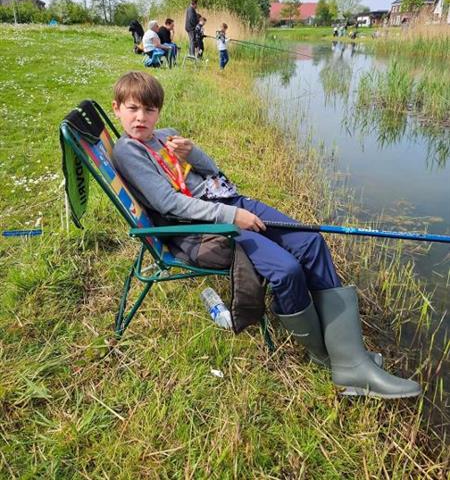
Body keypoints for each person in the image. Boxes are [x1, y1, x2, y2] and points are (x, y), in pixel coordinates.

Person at [111, 71, 422, 400]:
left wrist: (194, 153)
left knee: (311, 241)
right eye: (133, 109)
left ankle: (349, 355)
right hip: (203, 228)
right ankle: (327, 359)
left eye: (149, 110)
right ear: (117, 109)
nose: (141, 118)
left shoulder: (165, 136)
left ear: (159, 111)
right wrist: (233, 217)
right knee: (286, 270)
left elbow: (212, 172)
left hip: (228, 201)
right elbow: (168, 203)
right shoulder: (129, 151)